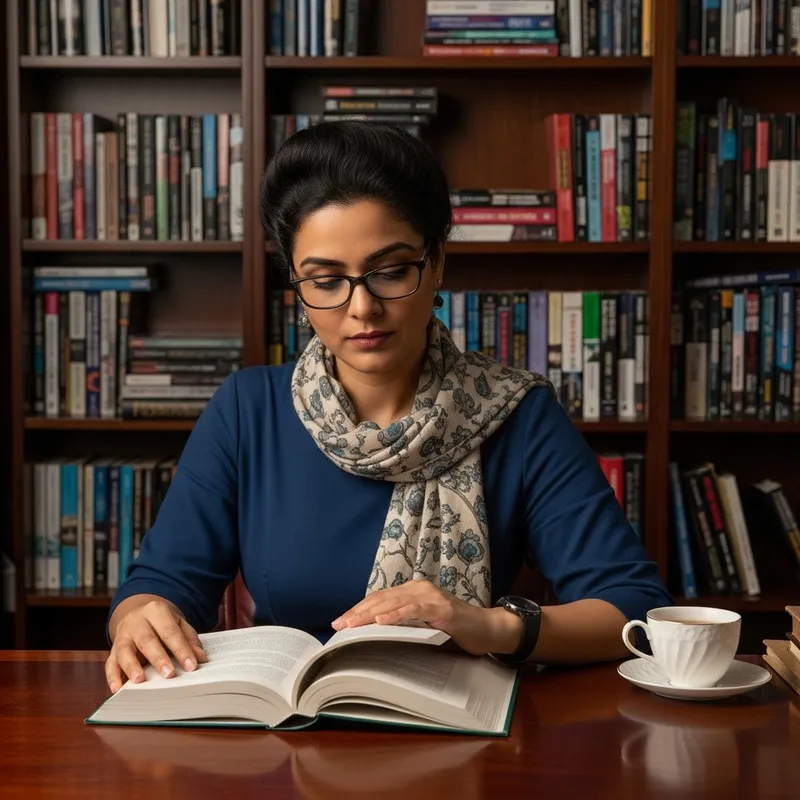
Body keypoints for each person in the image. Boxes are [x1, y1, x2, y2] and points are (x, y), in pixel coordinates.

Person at [104, 121, 672, 694]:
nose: (362, 308)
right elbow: (162, 584)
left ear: (437, 263)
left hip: (463, 735)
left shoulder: (518, 415)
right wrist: (138, 616)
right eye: (326, 280)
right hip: (285, 739)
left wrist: (487, 625)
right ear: (297, 287)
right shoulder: (247, 411)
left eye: (391, 271)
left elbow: (633, 609)